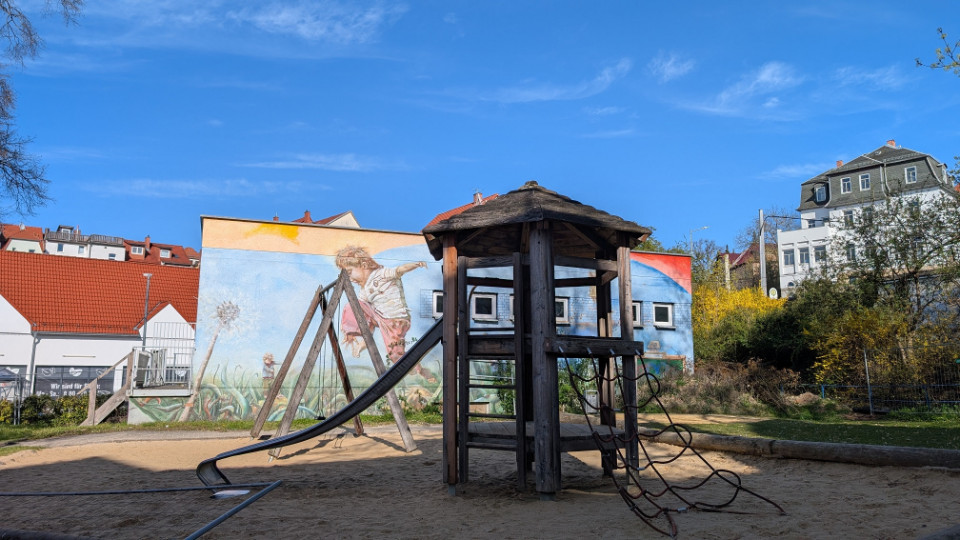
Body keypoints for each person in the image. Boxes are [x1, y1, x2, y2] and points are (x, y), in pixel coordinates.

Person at [335, 245, 428, 373]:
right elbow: (363, 312)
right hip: (381, 318)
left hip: (396, 320)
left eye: (350, 272)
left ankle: (418, 371)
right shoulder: (364, 291)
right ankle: (363, 338)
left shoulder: (382, 273)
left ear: (363, 264)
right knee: (353, 305)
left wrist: (416, 264)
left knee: (395, 355)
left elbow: (400, 270)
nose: (350, 279)